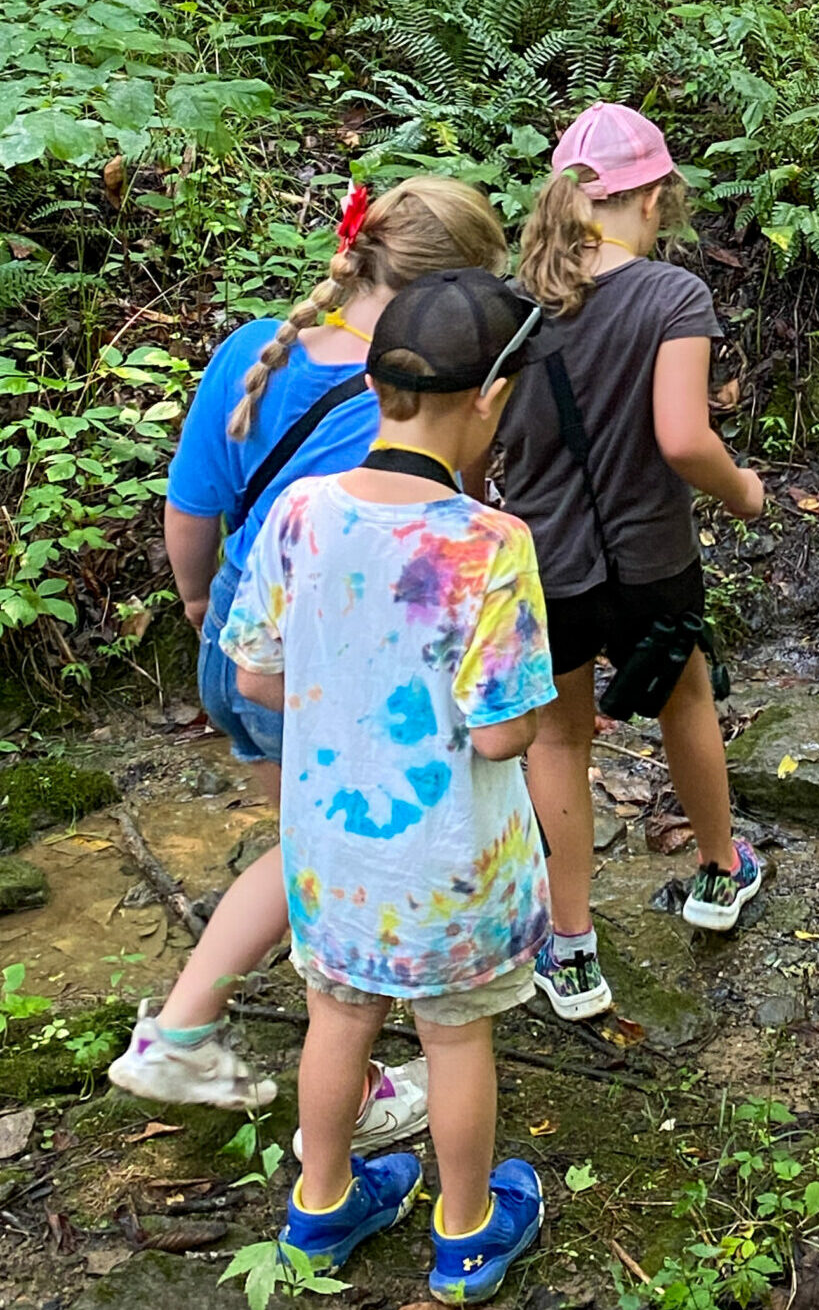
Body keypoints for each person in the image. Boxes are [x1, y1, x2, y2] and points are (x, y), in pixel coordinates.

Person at [108, 178, 508, 1120]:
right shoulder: (419, 387)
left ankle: (206, 1033)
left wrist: (201, 602)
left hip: (242, 648)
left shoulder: (258, 346)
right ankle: (207, 1038)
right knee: (320, 861)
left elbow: (193, 503)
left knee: (301, 843)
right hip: (335, 675)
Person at [222, 269, 554, 1301]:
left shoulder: (302, 509)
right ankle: (464, 1233)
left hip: (331, 848)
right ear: (490, 399)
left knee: (339, 1016)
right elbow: (503, 739)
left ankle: (320, 1209)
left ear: (374, 380)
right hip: (452, 860)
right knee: (455, 1037)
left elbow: (255, 673)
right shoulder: (491, 545)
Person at [495, 104, 768, 1021]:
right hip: (650, 555)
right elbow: (684, 438)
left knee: (562, 739)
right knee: (685, 699)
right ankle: (720, 875)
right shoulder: (671, 297)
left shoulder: (512, 305)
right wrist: (745, 493)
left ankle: (571, 953)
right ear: (650, 200)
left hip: (544, 563)